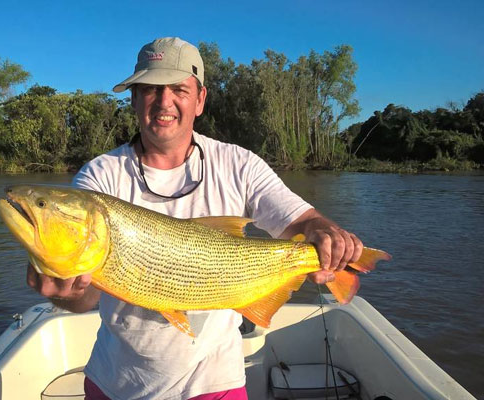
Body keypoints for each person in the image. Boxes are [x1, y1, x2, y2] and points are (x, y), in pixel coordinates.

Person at [27, 37, 364, 400]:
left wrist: (326, 235)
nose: (164, 102)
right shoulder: (100, 178)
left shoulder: (239, 165)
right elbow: (84, 298)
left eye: (178, 89)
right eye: (150, 89)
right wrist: (66, 293)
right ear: (134, 100)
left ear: (200, 99)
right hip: (117, 384)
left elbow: (301, 221)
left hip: (215, 384)